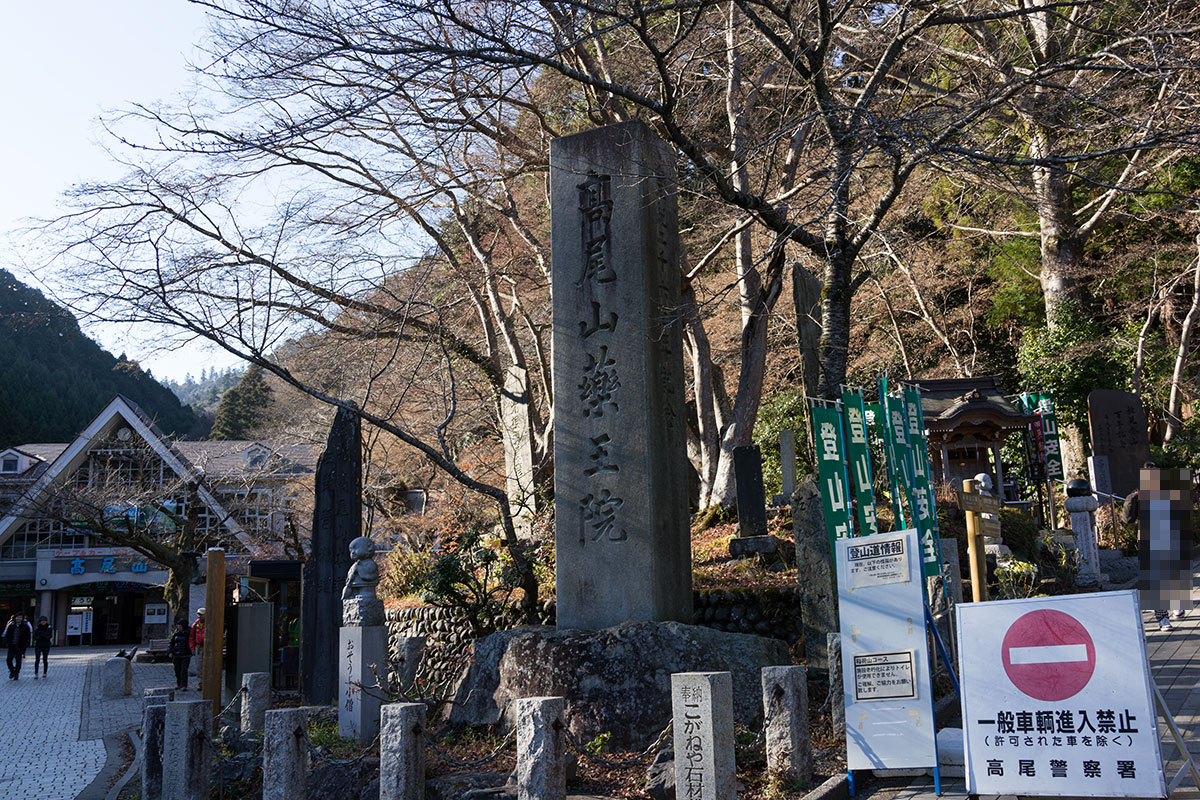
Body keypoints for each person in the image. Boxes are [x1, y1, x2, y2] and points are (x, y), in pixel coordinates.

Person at [4, 613, 31, 679]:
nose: (18, 619)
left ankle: (16, 673)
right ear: (15, 618)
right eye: (17, 617)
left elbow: (28, 636)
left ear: (22, 618)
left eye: (20, 617)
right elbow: (7, 634)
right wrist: (8, 643)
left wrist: (26, 644)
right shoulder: (11, 625)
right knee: (8, 659)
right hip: (12, 645)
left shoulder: (25, 626)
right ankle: (12, 670)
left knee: (18, 660)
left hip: (20, 646)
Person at [168, 619, 192, 691]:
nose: (179, 628)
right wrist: (170, 651)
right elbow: (171, 643)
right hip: (176, 654)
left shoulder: (188, 632)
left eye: (180, 626)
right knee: (177, 670)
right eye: (178, 626)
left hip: (185, 654)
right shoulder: (176, 632)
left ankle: (184, 684)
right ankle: (179, 684)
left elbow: (191, 641)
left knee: (183, 670)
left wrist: (191, 650)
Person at [189, 608, 205, 683]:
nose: (199, 617)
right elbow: (191, 637)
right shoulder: (195, 625)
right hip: (198, 648)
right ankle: (200, 682)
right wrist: (192, 648)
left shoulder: (210, 624)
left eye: (201, 615)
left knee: (207, 666)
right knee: (199, 667)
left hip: (207, 648)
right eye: (198, 615)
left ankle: (207, 682)